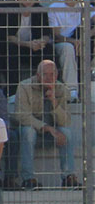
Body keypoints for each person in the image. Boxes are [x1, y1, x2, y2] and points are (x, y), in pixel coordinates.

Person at [12, 59, 77, 189]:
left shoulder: (62, 89)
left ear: (57, 75)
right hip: (32, 129)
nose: (49, 78)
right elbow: (21, 116)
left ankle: (68, 177)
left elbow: (65, 121)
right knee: (28, 132)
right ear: (38, 75)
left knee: (67, 133)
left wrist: (53, 101)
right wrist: (46, 127)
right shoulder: (24, 86)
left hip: (53, 131)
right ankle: (28, 179)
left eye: (52, 74)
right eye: (45, 74)